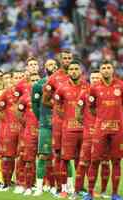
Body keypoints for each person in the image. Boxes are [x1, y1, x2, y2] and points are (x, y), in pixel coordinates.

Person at [84, 60, 123, 200]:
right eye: (103, 68)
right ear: (100, 70)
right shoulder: (94, 88)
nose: (106, 70)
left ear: (113, 69)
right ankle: (90, 193)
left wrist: (115, 116)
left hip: (117, 129)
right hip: (100, 129)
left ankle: (115, 193)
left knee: (116, 161)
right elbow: (91, 108)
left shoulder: (122, 86)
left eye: (108, 67)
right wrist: (103, 117)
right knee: (95, 161)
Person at [73, 69, 110, 199]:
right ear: (90, 79)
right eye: (92, 78)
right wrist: (86, 124)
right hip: (89, 134)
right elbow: (78, 112)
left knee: (105, 162)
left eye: (97, 78)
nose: (94, 80)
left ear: (101, 79)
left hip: (104, 133)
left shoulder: (107, 93)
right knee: (83, 163)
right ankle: (77, 191)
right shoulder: (85, 93)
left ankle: (104, 191)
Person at [54, 60, 88, 196]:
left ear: (80, 71)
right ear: (68, 72)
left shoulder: (87, 87)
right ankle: (64, 189)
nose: (74, 71)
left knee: (82, 160)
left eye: (76, 69)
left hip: (84, 130)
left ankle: (79, 188)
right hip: (68, 130)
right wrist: (68, 118)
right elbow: (57, 107)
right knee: (65, 159)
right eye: (71, 69)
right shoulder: (62, 88)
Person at [42, 49, 73, 197]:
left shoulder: (76, 75)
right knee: (59, 154)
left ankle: (75, 187)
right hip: (60, 122)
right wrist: (58, 106)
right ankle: (60, 187)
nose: (67, 60)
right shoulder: (54, 78)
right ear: (60, 60)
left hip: (76, 122)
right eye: (65, 58)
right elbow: (45, 100)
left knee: (79, 155)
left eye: (69, 58)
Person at [0, 71, 23, 191]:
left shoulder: (27, 93)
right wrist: (4, 119)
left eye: (21, 77)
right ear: (11, 79)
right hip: (9, 130)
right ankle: (6, 182)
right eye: (16, 77)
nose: (19, 79)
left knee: (23, 157)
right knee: (7, 157)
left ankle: (21, 183)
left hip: (24, 130)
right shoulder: (6, 93)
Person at [32, 59, 58, 196]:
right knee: (42, 155)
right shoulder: (39, 85)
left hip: (61, 125)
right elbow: (35, 106)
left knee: (63, 157)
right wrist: (41, 118)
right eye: (49, 64)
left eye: (54, 64)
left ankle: (64, 187)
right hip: (45, 124)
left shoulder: (64, 83)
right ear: (45, 67)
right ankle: (39, 187)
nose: (51, 67)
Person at [16, 73, 41, 195]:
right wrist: (27, 124)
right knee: (29, 160)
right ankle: (28, 186)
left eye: (37, 80)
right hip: (30, 133)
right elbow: (19, 114)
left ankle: (47, 186)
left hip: (43, 132)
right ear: (29, 82)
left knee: (45, 159)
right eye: (33, 80)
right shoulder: (24, 98)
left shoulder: (45, 97)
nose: (35, 82)